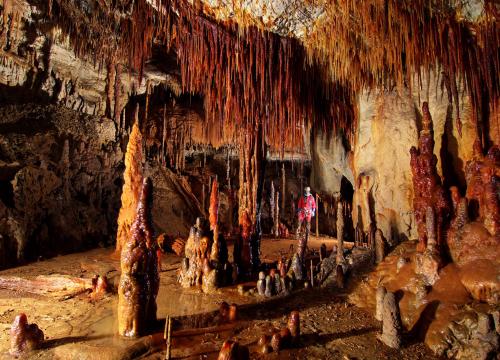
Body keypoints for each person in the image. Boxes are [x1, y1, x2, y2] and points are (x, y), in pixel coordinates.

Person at [296, 187, 316, 260]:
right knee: (300, 223)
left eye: (308, 191)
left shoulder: (312, 198)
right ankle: (298, 234)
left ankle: (307, 235)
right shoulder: (302, 197)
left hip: (309, 212)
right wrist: (299, 210)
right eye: (306, 191)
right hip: (302, 212)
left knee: (308, 224)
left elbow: (314, 205)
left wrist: (313, 211)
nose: (307, 192)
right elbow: (299, 205)